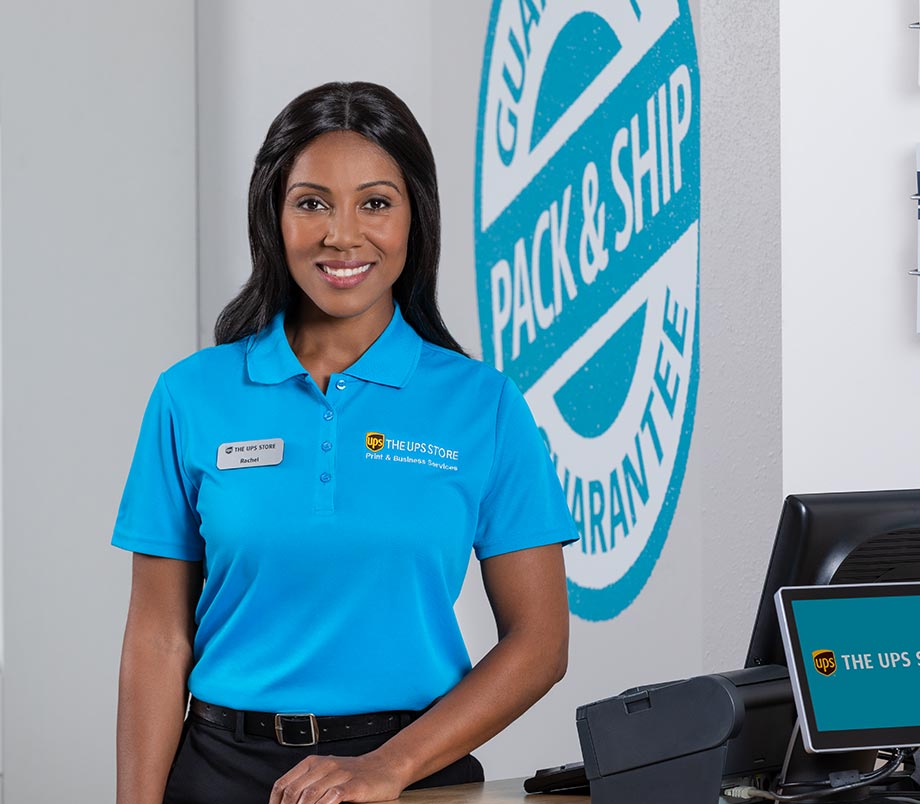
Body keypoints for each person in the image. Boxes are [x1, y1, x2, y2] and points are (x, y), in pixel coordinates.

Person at [113, 81, 576, 804]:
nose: (342, 234)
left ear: (415, 218)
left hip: (413, 772)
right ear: (274, 215)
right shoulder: (190, 396)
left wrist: (387, 767)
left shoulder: (483, 405)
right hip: (219, 774)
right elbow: (156, 639)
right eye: (311, 202)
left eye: (376, 203)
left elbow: (540, 643)